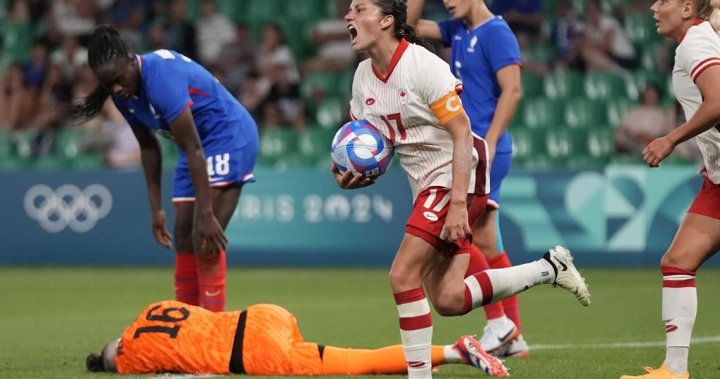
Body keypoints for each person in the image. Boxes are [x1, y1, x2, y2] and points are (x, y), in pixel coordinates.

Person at [336, 1, 590, 378]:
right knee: (449, 299)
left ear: (387, 20)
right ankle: (548, 268)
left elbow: (459, 134)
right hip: (425, 185)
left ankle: (419, 375)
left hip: (459, 175)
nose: (348, 16)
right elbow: (368, 142)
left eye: (360, 8)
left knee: (402, 276)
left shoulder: (422, 66)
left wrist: (457, 204)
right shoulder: (362, 77)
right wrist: (348, 171)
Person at [69, 25, 259, 312]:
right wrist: (156, 208)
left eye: (119, 79)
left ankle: (211, 329)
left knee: (204, 237)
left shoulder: (162, 79)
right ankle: (185, 324)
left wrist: (207, 213)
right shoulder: (123, 95)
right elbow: (148, 147)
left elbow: (195, 148)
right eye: (109, 85)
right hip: (192, 146)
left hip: (227, 138)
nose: (117, 89)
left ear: (131, 60)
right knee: (183, 235)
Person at [407, 0, 527, 357]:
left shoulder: (496, 33)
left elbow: (513, 90)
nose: (447, 1)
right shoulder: (458, 28)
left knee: (455, 229)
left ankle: (499, 325)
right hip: (469, 150)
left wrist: (488, 142)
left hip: (484, 151)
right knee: (487, 244)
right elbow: (409, 27)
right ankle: (512, 334)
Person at [620, 1, 720, 378]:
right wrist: (712, 151)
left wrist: (670, 139)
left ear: (687, 8)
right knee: (678, 261)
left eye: (663, 1)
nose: (654, 7)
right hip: (717, 178)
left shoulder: (696, 44)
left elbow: (718, 101)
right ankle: (674, 370)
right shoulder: (700, 37)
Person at [85, 300, 505, 375]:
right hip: (263, 315)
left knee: (357, 363)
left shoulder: (130, 360)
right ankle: (444, 353)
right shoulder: (152, 310)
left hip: (254, 353)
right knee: (343, 357)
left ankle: (453, 352)